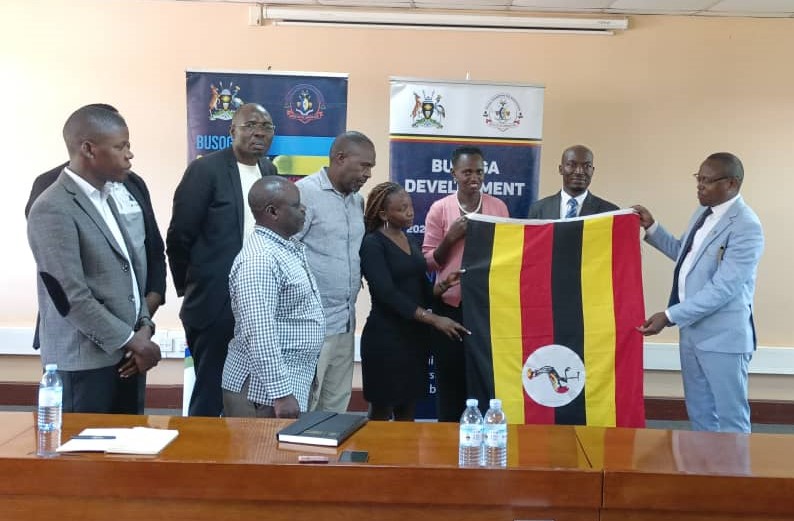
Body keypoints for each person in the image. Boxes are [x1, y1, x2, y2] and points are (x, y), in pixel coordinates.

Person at [27, 105, 161, 414]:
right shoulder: (53, 207)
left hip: (127, 357)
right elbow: (70, 297)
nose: (129, 155)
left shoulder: (107, 197)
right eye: (120, 146)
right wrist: (134, 341)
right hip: (84, 363)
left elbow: (130, 273)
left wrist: (143, 328)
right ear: (88, 149)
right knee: (85, 460)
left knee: (125, 454)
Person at [635, 152, 764, 433]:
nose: (700, 186)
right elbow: (686, 257)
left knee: (731, 420)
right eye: (698, 178)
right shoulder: (703, 212)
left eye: (707, 181)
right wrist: (653, 228)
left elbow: (723, 289)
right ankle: (706, 474)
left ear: (731, 184)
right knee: (701, 415)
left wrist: (669, 316)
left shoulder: (747, 226)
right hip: (693, 333)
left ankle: (736, 476)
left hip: (724, 339)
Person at [166, 103, 278, 417]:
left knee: (245, 391)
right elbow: (179, 236)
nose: (259, 132)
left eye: (267, 126)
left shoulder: (269, 171)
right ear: (232, 131)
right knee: (210, 390)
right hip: (214, 301)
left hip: (256, 299)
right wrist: (192, 285)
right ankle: (195, 458)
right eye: (250, 124)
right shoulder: (206, 170)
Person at [360, 182, 469, 421]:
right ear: (383, 214)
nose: (410, 212)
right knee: (382, 410)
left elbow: (420, 289)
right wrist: (434, 319)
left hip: (414, 341)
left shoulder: (408, 240)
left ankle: (402, 460)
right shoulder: (372, 244)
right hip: (385, 340)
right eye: (402, 209)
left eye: (410, 206)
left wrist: (443, 285)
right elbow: (387, 294)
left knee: (408, 411)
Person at [222, 177, 325, 418]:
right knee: (262, 455)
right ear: (273, 212)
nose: (303, 209)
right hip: (264, 393)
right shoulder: (260, 260)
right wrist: (281, 394)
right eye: (296, 204)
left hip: (287, 382)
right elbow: (259, 332)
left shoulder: (285, 248)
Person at [422, 145, 509, 421]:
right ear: (454, 174)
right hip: (450, 308)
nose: (475, 177)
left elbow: (506, 255)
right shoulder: (440, 209)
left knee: (485, 380)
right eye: (467, 171)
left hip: (486, 309)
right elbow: (429, 262)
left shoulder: (498, 207)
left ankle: (484, 443)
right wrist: (451, 237)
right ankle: (447, 445)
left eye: (480, 171)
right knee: (450, 382)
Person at [295, 131, 375, 413]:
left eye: (371, 168)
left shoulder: (357, 201)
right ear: (340, 158)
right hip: (310, 326)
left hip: (345, 322)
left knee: (334, 409)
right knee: (305, 407)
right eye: (364, 166)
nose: (368, 175)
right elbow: (288, 253)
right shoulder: (304, 194)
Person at [527, 144, 619, 219]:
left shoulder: (610, 212)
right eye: (572, 165)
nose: (579, 171)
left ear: (593, 171)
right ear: (561, 169)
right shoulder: (538, 209)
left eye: (587, 166)